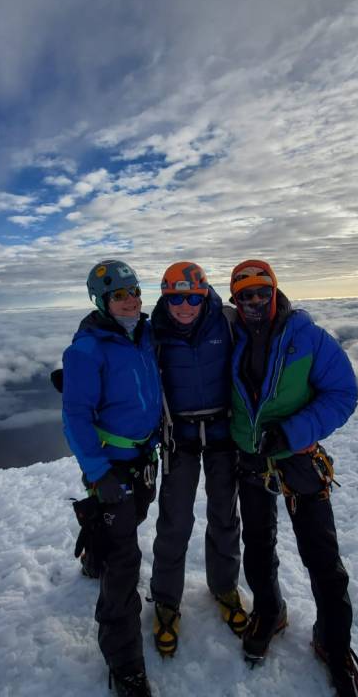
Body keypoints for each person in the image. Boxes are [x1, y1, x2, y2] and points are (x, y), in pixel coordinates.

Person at [227, 259, 358, 697]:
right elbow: (177, 342)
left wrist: (292, 433)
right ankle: (270, 611)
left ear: (275, 292)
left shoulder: (307, 337)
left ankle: (334, 642)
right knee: (258, 544)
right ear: (234, 299)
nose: (254, 301)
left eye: (262, 292)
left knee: (322, 556)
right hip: (251, 457)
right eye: (245, 295)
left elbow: (343, 393)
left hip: (297, 457)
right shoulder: (227, 335)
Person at [61, 259, 162, 697]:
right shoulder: (87, 350)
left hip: (144, 457)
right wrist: (98, 472)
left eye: (134, 291)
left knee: (132, 517)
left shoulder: (146, 335)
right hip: (110, 463)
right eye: (119, 295)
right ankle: (125, 665)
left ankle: (93, 554)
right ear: (101, 301)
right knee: (124, 563)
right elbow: (75, 416)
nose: (131, 300)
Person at [147, 262, 247, 658]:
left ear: (205, 295)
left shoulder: (228, 322)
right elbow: (120, 361)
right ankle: (166, 602)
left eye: (192, 297)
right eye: (176, 299)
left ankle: (224, 588)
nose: (185, 306)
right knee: (174, 521)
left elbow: (265, 345)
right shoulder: (153, 331)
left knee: (225, 515)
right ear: (165, 299)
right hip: (180, 437)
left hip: (223, 433)